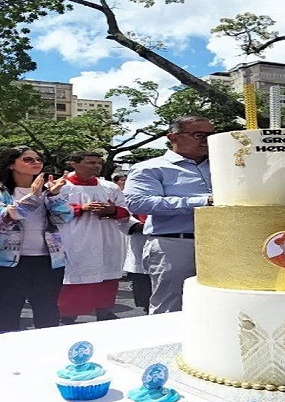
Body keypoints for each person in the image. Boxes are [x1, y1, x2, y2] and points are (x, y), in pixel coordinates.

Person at [0, 147, 71, 331]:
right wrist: (32, 197)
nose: (36, 162)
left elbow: (64, 218)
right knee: (8, 308)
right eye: (28, 159)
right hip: (4, 261)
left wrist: (54, 196)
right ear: (10, 164)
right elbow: (0, 216)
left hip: (48, 259)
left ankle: (47, 352)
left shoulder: (49, 190)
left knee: (47, 309)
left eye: (38, 159)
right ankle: (8, 353)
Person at [124, 116, 214, 314]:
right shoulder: (149, 168)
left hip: (220, 243)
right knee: (171, 305)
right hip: (174, 244)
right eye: (198, 135)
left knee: (216, 302)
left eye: (210, 135)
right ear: (173, 137)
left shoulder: (224, 166)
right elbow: (138, 203)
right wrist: (201, 201)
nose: (206, 140)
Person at [56, 152, 132, 323]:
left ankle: (104, 309)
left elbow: (126, 211)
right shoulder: (62, 186)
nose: (96, 166)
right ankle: (67, 313)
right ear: (73, 164)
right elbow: (53, 210)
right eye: (91, 162)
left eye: (99, 163)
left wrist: (111, 211)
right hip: (74, 236)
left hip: (107, 235)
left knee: (107, 271)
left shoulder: (110, 187)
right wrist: (81, 208)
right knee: (75, 273)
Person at [116, 173, 151, 314]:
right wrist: (140, 226)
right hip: (140, 239)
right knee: (144, 283)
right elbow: (124, 217)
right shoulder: (126, 196)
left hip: (168, 240)